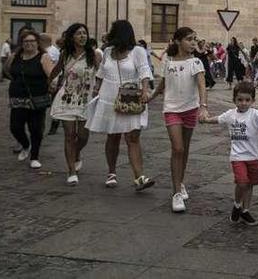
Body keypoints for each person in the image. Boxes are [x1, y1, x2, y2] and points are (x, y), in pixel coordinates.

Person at [200, 81, 258, 226]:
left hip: (254, 156)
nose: (243, 103)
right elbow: (217, 119)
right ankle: (237, 205)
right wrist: (206, 120)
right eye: (240, 100)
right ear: (234, 100)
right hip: (238, 156)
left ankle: (245, 211)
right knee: (242, 182)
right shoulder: (230, 115)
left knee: (250, 184)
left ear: (253, 101)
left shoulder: (255, 114)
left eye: (247, 100)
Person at [86, 20, 155, 191]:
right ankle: (111, 173)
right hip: (109, 97)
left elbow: (145, 72)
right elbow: (101, 72)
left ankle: (139, 177)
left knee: (132, 138)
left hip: (130, 97)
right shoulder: (108, 51)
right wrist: (96, 89)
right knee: (113, 136)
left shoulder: (137, 51)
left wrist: (145, 91)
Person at [149, 27, 209, 213]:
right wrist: (151, 96)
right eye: (189, 39)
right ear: (177, 41)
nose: (193, 43)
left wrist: (203, 107)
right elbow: (164, 83)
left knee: (185, 149)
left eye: (194, 39)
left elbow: (202, 86)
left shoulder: (196, 62)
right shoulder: (169, 62)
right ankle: (176, 193)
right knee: (178, 148)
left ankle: (180, 181)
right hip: (172, 109)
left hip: (190, 110)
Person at [49, 23, 101, 185]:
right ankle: (71, 171)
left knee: (84, 136)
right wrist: (49, 82)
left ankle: (76, 153)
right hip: (67, 98)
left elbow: (101, 74)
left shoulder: (93, 55)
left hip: (86, 100)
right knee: (69, 135)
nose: (82, 36)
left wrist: (100, 89)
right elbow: (56, 70)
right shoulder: (65, 55)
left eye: (84, 33)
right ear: (72, 37)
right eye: (78, 34)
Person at [4, 29, 54, 169]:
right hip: (18, 97)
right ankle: (26, 145)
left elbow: (50, 75)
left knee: (36, 129)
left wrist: (52, 87)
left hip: (37, 98)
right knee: (15, 127)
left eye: (32, 41)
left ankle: (34, 156)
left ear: (37, 43)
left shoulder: (44, 57)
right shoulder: (15, 56)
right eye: (26, 41)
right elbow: (7, 70)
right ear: (21, 43)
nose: (29, 44)